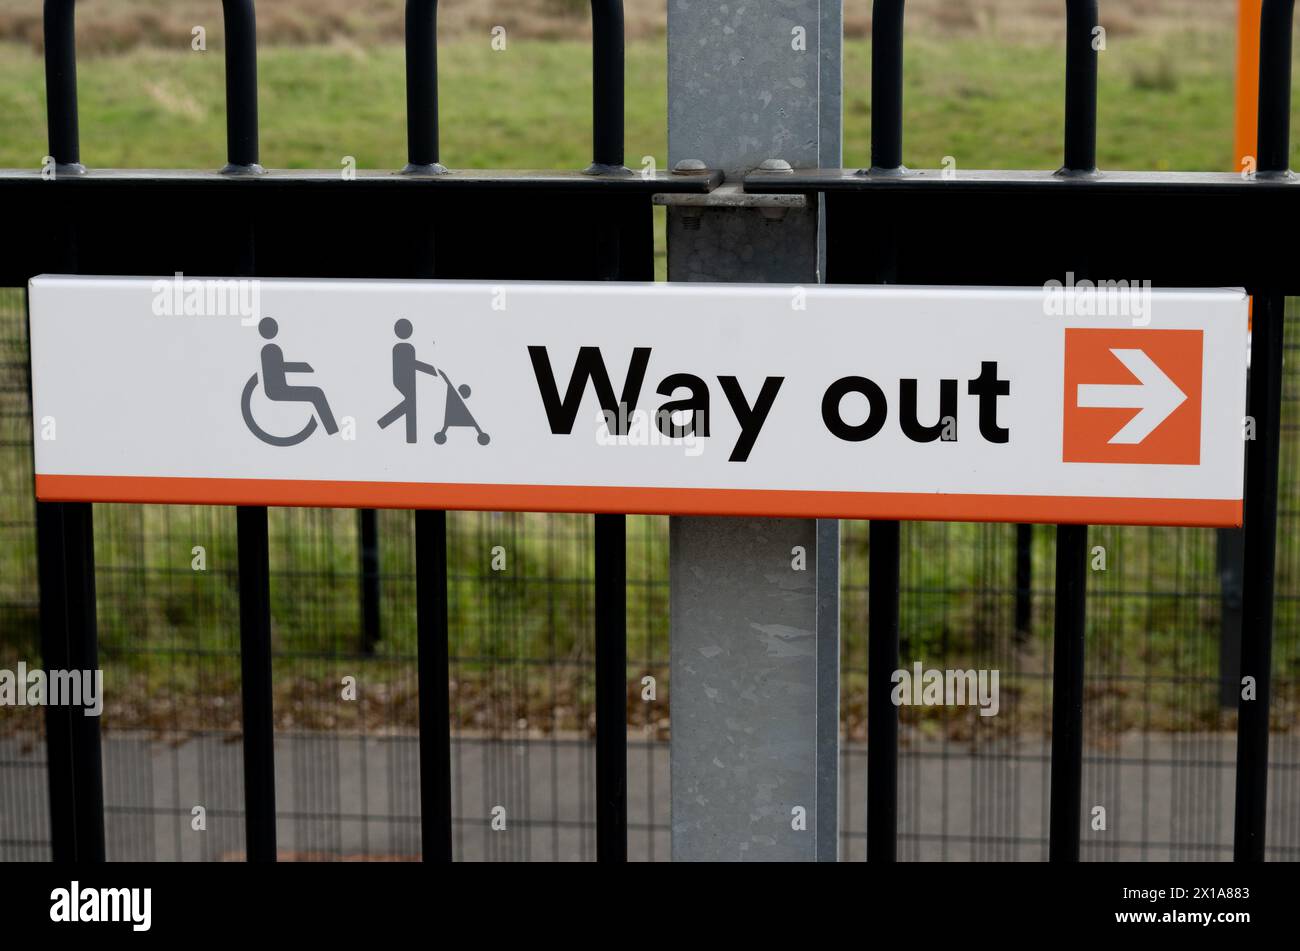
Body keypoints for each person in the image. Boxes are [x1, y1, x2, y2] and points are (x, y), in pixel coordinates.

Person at [258, 317, 338, 435]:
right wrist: (302, 367)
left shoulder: (271, 348)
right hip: (277, 391)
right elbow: (279, 368)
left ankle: (333, 430)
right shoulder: (270, 349)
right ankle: (333, 430)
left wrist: (302, 367)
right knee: (316, 393)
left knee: (316, 393)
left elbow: (281, 367)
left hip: (280, 387)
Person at [377, 318, 438, 443]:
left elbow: (412, 364)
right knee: (410, 405)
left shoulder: (403, 347)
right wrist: (432, 370)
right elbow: (411, 363)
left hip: (406, 380)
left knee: (409, 406)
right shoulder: (403, 348)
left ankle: (406, 435)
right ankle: (387, 424)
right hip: (403, 381)